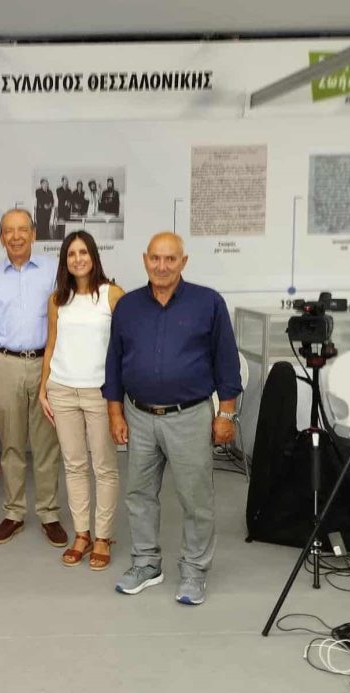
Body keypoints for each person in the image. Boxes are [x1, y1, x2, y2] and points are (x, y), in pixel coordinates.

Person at [105, 232, 241, 605]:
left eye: (170, 259)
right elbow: (114, 362)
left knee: (195, 499)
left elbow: (226, 362)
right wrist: (115, 411)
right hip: (139, 415)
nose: (162, 266)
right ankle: (146, 564)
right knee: (139, 494)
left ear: (183, 261)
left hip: (190, 416)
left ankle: (194, 571)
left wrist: (226, 413)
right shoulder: (128, 306)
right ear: (145, 259)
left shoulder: (208, 303)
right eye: (155, 258)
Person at [0, 209, 65, 548]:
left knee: (46, 445)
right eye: (9, 231)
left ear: (34, 234)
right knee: (11, 444)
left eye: (22, 229)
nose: (16, 236)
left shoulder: (54, 271)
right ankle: (13, 512)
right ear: (1, 237)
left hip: (45, 366)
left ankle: (49, 513)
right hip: (6, 364)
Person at [39, 231, 124, 569]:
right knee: (74, 465)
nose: (78, 259)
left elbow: (123, 348)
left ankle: (103, 536)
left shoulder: (112, 295)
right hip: (62, 390)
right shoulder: (57, 299)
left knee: (104, 466)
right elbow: (51, 344)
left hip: (99, 393)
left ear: (93, 256)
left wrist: (118, 395)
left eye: (83, 252)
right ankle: (82, 534)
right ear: (65, 260)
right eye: (71, 254)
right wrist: (44, 388)